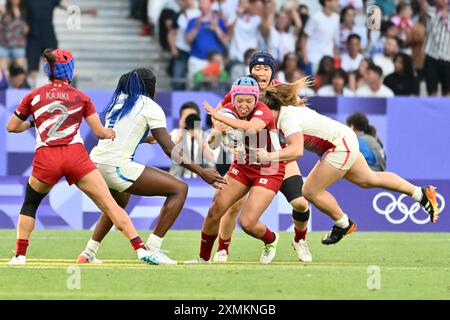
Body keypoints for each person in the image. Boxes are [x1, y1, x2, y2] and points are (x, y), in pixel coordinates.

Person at [6, 49, 157, 265]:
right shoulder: (81, 97)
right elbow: (99, 132)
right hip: (75, 157)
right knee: (109, 204)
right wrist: (109, 133)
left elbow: (12, 127)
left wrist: (34, 122)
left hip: (46, 157)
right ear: (70, 69)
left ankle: (20, 256)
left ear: (47, 70)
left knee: (30, 203)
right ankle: (141, 250)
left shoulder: (34, 95)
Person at [254, 79, 440, 245]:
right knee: (369, 179)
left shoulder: (288, 119)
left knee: (309, 191)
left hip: (339, 147)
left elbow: (296, 151)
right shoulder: (285, 114)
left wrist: (268, 157)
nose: (259, 119)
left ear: (270, 110)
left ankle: (343, 223)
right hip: (344, 139)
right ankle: (421, 194)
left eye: (260, 115)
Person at [77, 68, 226, 265]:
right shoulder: (151, 107)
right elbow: (169, 148)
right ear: (151, 87)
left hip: (95, 164)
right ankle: (153, 249)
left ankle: (88, 253)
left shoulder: (120, 101)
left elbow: (121, 133)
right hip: (115, 167)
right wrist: (202, 171)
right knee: (179, 189)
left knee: (117, 204)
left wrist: (144, 138)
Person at [211, 51, 312, 263]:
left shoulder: (280, 91)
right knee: (233, 206)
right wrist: (224, 134)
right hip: (249, 158)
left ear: (271, 72)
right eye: (256, 68)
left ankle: (300, 240)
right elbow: (219, 114)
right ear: (250, 71)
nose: (260, 72)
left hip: (278, 156)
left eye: (265, 68)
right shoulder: (240, 90)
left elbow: (300, 116)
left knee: (301, 203)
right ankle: (222, 250)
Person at [187, 76, 287, 265]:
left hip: (269, 168)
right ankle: (203, 259)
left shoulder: (263, 111)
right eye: (239, 100)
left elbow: (250, 127)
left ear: (256, 99)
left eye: (249, 101)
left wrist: (220, 118)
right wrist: (218, 131)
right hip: (242, 164)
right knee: (216, 208)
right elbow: (213, 144)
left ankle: (271, 239)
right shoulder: (228, 112)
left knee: (248, 223)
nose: (244, 105)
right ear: (233, 99)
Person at [23, 0, 97, 86]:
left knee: (54, 68)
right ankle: (34, 94)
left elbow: (69, 8)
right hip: (33, 39)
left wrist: (86, 11)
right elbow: (18, 10)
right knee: (32, 70)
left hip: (49, 38)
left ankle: (54, 91)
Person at [170, 101, 217, 178]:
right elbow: (169, 153)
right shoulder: (176, 133)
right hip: (178, 178)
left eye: (192, 116)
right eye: (186, 116)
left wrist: (198, 136)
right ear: (181, 118)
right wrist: (181, 129)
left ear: (198, 117)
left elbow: (211, 158)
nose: (189, 119)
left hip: (202, 180)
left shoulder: (207, 135)